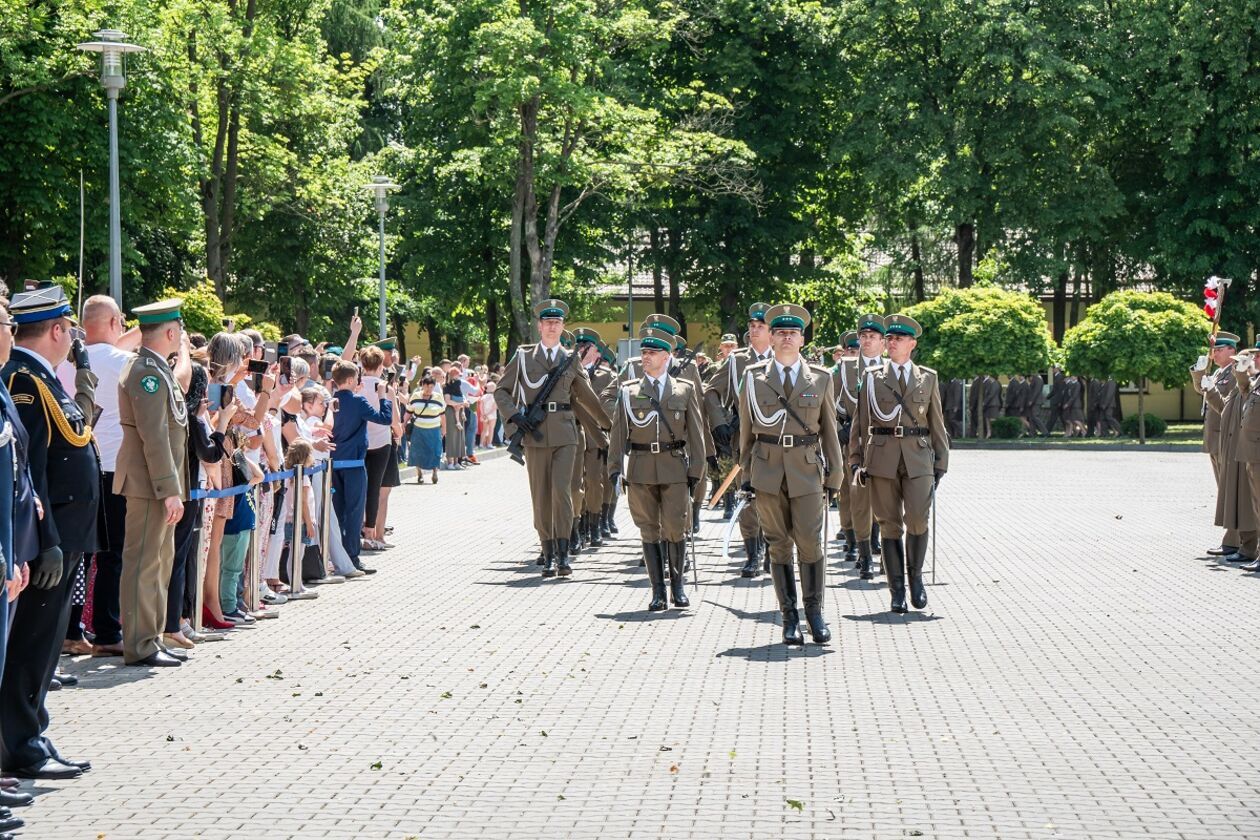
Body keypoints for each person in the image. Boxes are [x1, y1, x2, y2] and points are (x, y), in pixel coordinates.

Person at [1, 284, 98, 780]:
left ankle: (34, 731)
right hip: (49, 540)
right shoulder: (22, 379)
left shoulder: (46, 377)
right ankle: (20, 746)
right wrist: (52, 539)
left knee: (46, 643)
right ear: (58, 330)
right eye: (70, 329)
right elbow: (32, 468)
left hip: (68, 533)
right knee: (31, 645)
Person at [737, 304, 843, 645]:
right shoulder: (753, 378)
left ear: (801, 339)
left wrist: (836, 475)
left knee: (811, 544)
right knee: (778, 546)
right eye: (780, 332)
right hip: (767, 471)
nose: (786, 337)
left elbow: (829, 431)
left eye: (792, 333)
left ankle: (815, 613)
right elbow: (745, 433)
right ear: (771, 336)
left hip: (807, 471)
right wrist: (744, 477)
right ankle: (789, 617)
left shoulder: (821, 378)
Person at [494, 299, 611, 578]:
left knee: (562, 491)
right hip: (534, 435)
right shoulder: (523, 357)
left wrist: (610, 424)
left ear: (562, 327)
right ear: (539, 326)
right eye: (547, 322)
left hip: (565, 433)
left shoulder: (569, 359)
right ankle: (547, 553)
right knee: (541, 496)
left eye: (556, 323)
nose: (552, 326)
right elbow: (501, 391)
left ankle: (562, 554)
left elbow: (587, 397)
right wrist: (514, 417)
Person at [850, 314, 949, 615]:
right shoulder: (872, 378)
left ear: (912, 344)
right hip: (881, 457)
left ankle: (915, 577)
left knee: (918, 519)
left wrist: (941, 461)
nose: (892, 343)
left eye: (899, 339)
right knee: (889, 524)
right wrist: (855, 460)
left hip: (918, 457)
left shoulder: (927, 377)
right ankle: (897, 590)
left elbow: (936, 422)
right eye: (889, 339)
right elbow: (861, 423)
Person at [115, 300, 192, 667]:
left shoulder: (158, 370)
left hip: (158, 484)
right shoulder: (146, 371)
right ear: (171, 332)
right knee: (144, 564)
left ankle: (153, 637)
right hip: (150, 485)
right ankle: (140, 644)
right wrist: (170, 489)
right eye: (179, 328)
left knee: (160, 562)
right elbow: (155, 436)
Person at [607, 327, 706, 611]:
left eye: (652, 353)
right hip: (640, 469)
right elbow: (617, 435)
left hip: (675, 468)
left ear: (667, 357)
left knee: (676, 528)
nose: (646, 357)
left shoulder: (684, 390)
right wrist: (615, 469)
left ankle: (678, 587)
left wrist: (697, 471)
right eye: (643, 353)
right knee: (649, 530)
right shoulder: (629, 391)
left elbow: (696, 435)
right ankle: (658, 591)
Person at [703, 303, 774, 577]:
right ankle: (753, 554)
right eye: (752, 326)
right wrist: (720, 421)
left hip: (775, 440)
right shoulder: (736, 360)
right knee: (748, 497)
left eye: (760, 327)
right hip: (743, 439)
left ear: (771, 331)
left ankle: (773, 550)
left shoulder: (783, 358)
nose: (754, 331)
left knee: (774, 497)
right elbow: (711, 393)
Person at [833, 315, 886, 578]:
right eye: (863, 336)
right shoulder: (845, 368)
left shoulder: (892, 367)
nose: (866, 341)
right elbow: (827, 402)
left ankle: (887, 554)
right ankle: (864, 554)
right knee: (858, 498)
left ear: (882, 342)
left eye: (872, 337)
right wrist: (838, 428)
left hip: (887, 444)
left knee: (888, 500)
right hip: (856, 442)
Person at [330, 360, 393, 576]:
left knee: (337, 512)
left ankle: (335, 557)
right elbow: (384, 419)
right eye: (356, 378)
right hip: (355, 465)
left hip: (333, 464)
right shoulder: (358, 401)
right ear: (350, 380)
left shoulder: (330, 400)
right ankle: (352, 558)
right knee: (355, 511)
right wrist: (383, 396)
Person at [1192, 334, 1242, 556]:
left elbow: (1225, 406)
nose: (1215, 353)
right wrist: (1199, 373)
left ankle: (1235, 540)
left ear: (1232, 351)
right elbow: (1203, 390)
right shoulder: (1220, 372)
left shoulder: (1235, 373)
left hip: (1226, 437)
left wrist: (1209, 386)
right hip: (1215, 437)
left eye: (1219, 349)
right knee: (1224, 491)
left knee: (1230, 492)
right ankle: (1234, 539)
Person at [575, 329, 613, 548]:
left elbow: (607, 407)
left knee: (594, 482)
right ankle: (577, 525)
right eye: (579, 346)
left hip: (596, 437)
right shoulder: (568, 372)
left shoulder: (606, 376)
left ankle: (595, 524)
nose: (581, 350)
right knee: (575, 482)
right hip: (574, 434)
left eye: (585, 347)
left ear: (595, 351)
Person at [407, 376, 445, 485]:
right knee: (418, 452)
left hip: (434, 429)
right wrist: (403, 424)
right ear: (422, 385)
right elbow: (408, 412)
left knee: (435, 451)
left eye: (431, 387)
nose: (429, 389)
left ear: (434, 386)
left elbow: (443, 415)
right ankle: (419, 474)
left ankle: (435, 472)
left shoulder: (438, 397)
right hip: (419, 429)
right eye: (426, 386)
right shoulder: (415, 396)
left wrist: (444, 429)